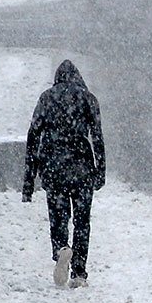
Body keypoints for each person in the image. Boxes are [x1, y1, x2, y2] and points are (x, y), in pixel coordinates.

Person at [23, 60, 105, 288]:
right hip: (82, 167)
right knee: (82, 221)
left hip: (53, 166)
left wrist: (29, 182)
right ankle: (78, 273)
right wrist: (100, 171)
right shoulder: (88, 98)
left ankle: (61, 248)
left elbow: (33, 137)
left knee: (58, 216)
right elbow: (97, 137)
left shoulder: (46, 98)